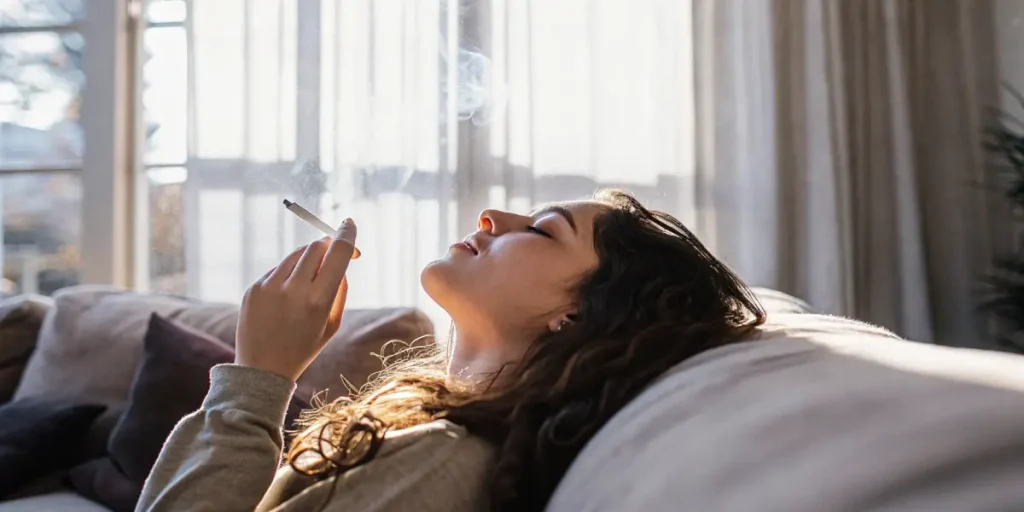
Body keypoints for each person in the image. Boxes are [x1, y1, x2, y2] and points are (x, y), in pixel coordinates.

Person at [138, 189, 766, 511]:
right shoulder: (436, 434)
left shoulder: (449, 464)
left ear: (577, 314)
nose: (493, 214)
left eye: (544, 230)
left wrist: (258, 377)